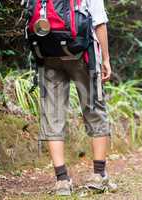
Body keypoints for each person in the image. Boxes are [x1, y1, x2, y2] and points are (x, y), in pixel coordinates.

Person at [37, 0, 116, 196]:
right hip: (82, 53)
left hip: (48, 54)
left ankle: (62, 180)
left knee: (52, 114)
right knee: (94, 110)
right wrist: (105, 58)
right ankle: (99, 175)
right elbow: (99, 22)